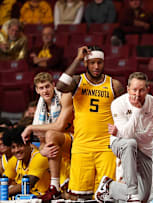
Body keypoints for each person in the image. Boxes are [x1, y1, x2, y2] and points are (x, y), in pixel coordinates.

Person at [56, 45, 124, 197]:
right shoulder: (77, 81)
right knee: (78, 195)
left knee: (106, 195)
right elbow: (60, 86)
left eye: (99, 62)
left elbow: (124, 114)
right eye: (92, 62)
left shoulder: (114, 85)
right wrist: (77, 59)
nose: (96, 66)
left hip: (106, 147)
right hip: (82, 146)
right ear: (86, 63)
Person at [95, 72, 153, 202]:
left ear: (148, 89)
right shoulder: (117, 104)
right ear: (127, 89)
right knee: (130, 143)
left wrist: (120, 132)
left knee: (143, 197)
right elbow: (127, 137)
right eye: (134, 90)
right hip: (119, 144)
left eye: (141, 90)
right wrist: (137, 111)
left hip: (145, 149)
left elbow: (149, 137)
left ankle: (109, 186)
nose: (137, 94)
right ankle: (132, 193)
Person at [21, 72, 73, 201]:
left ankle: (54, 185)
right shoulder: (41, 107)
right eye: (41, 88)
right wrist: (42, 151)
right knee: (48, 144)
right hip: (57, 144)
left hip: (75, 138)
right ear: (37, 90)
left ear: (53, 85)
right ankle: (57, 186)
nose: (45, 90)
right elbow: (42, 142)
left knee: (51, 133)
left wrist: (30, 127)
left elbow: (59, 126)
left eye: (47, 86)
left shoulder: (62, 96)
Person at [0, 126, 50, 199]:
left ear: (28, 144)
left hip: (43, 198)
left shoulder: (39, 157)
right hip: (24, 198)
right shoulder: (14, 160)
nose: (16, 150)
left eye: (20, 146)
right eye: (13, 147)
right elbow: (0, 184)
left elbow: (26, 185)